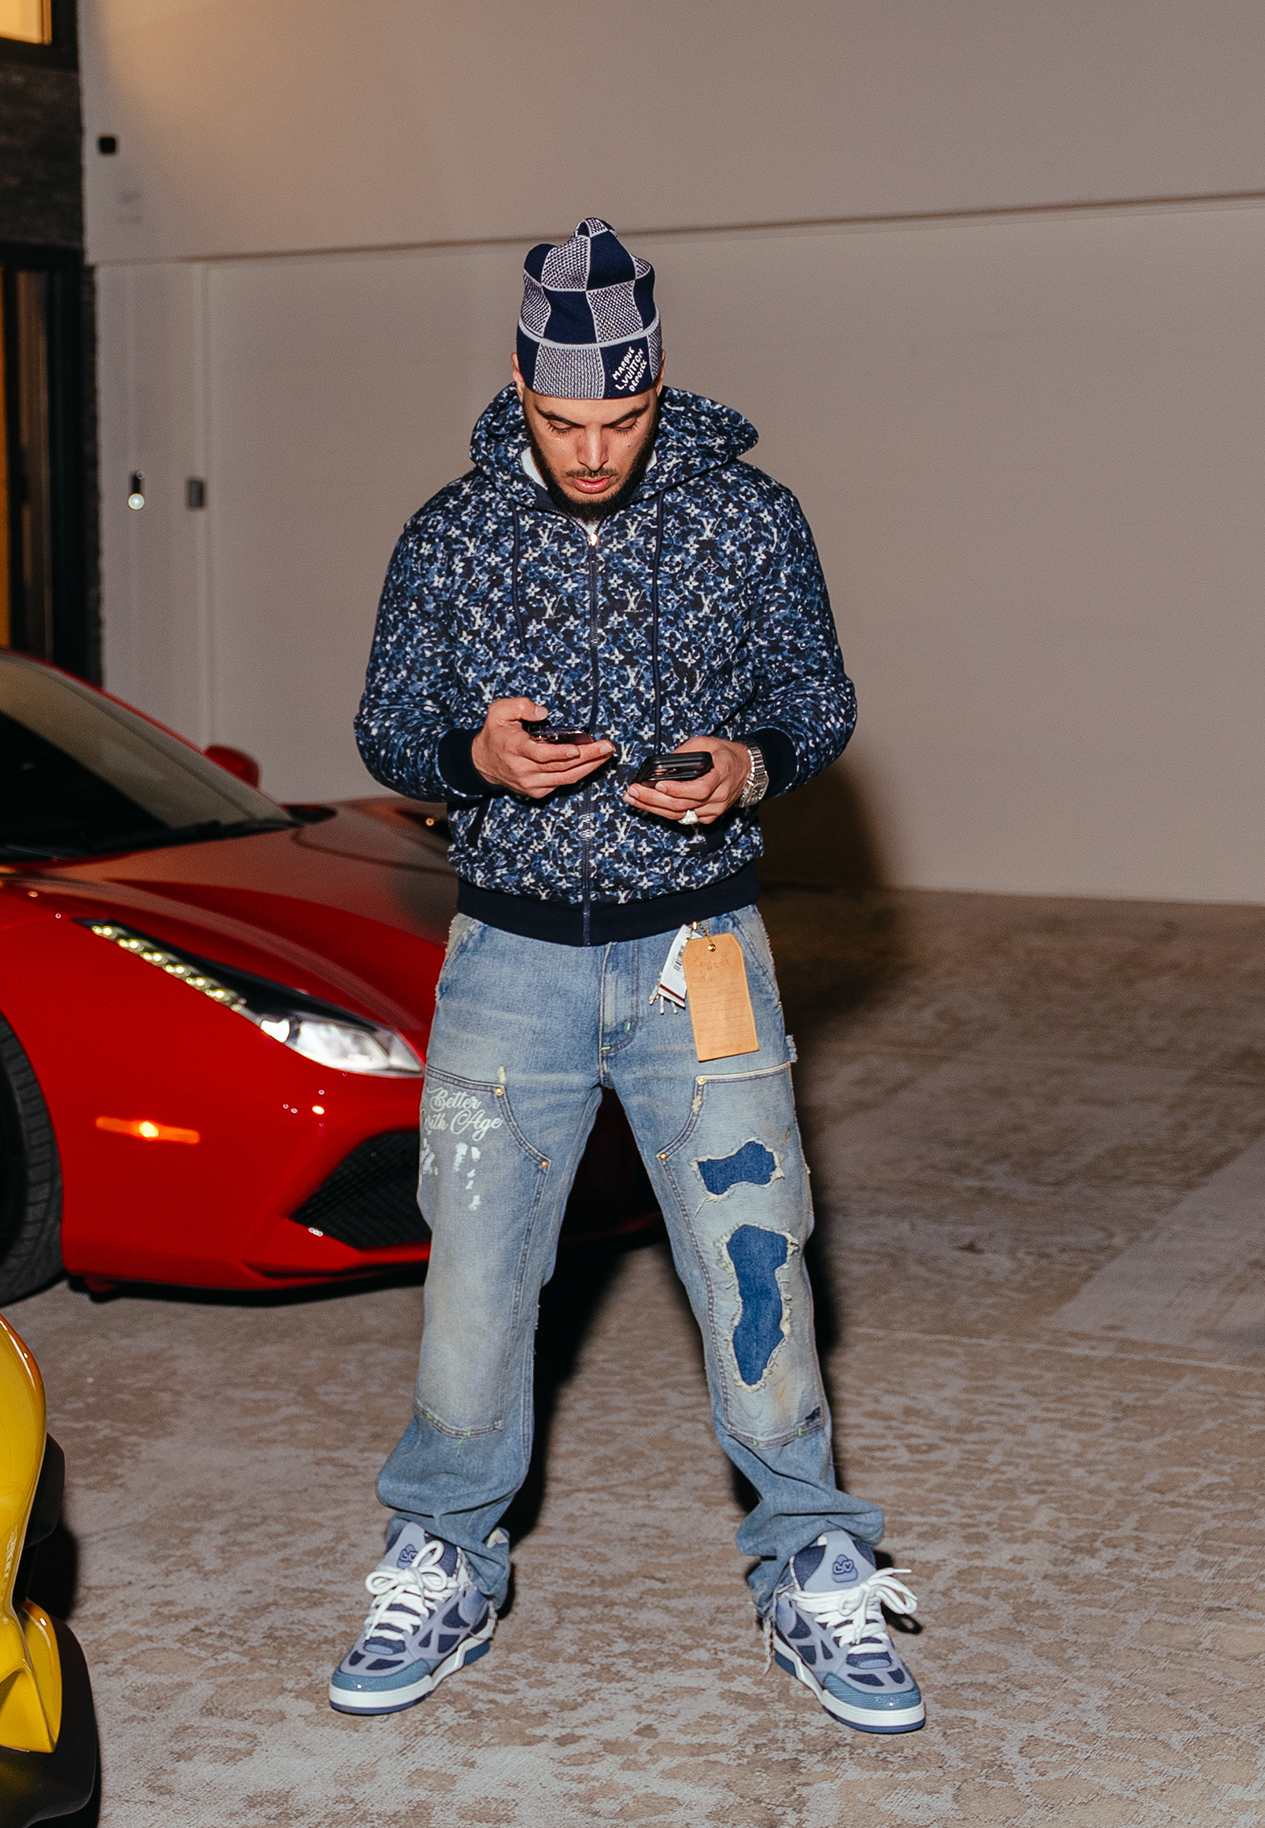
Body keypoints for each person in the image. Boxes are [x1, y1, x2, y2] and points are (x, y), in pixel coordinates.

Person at [331, 218, 923, 1735]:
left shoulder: (749, 517)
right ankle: (443, 1552)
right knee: (473, 1281)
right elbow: (387, 726)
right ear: (518, 384)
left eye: (623, 418)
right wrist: (470, 756)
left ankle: (812, 1556)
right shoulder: (450, 535)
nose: (593, 453)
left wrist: (749, 764)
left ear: (660, 387)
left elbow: (816, 698)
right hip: (509, 960)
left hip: (698, 950)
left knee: (755, 1255)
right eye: (562, 421)